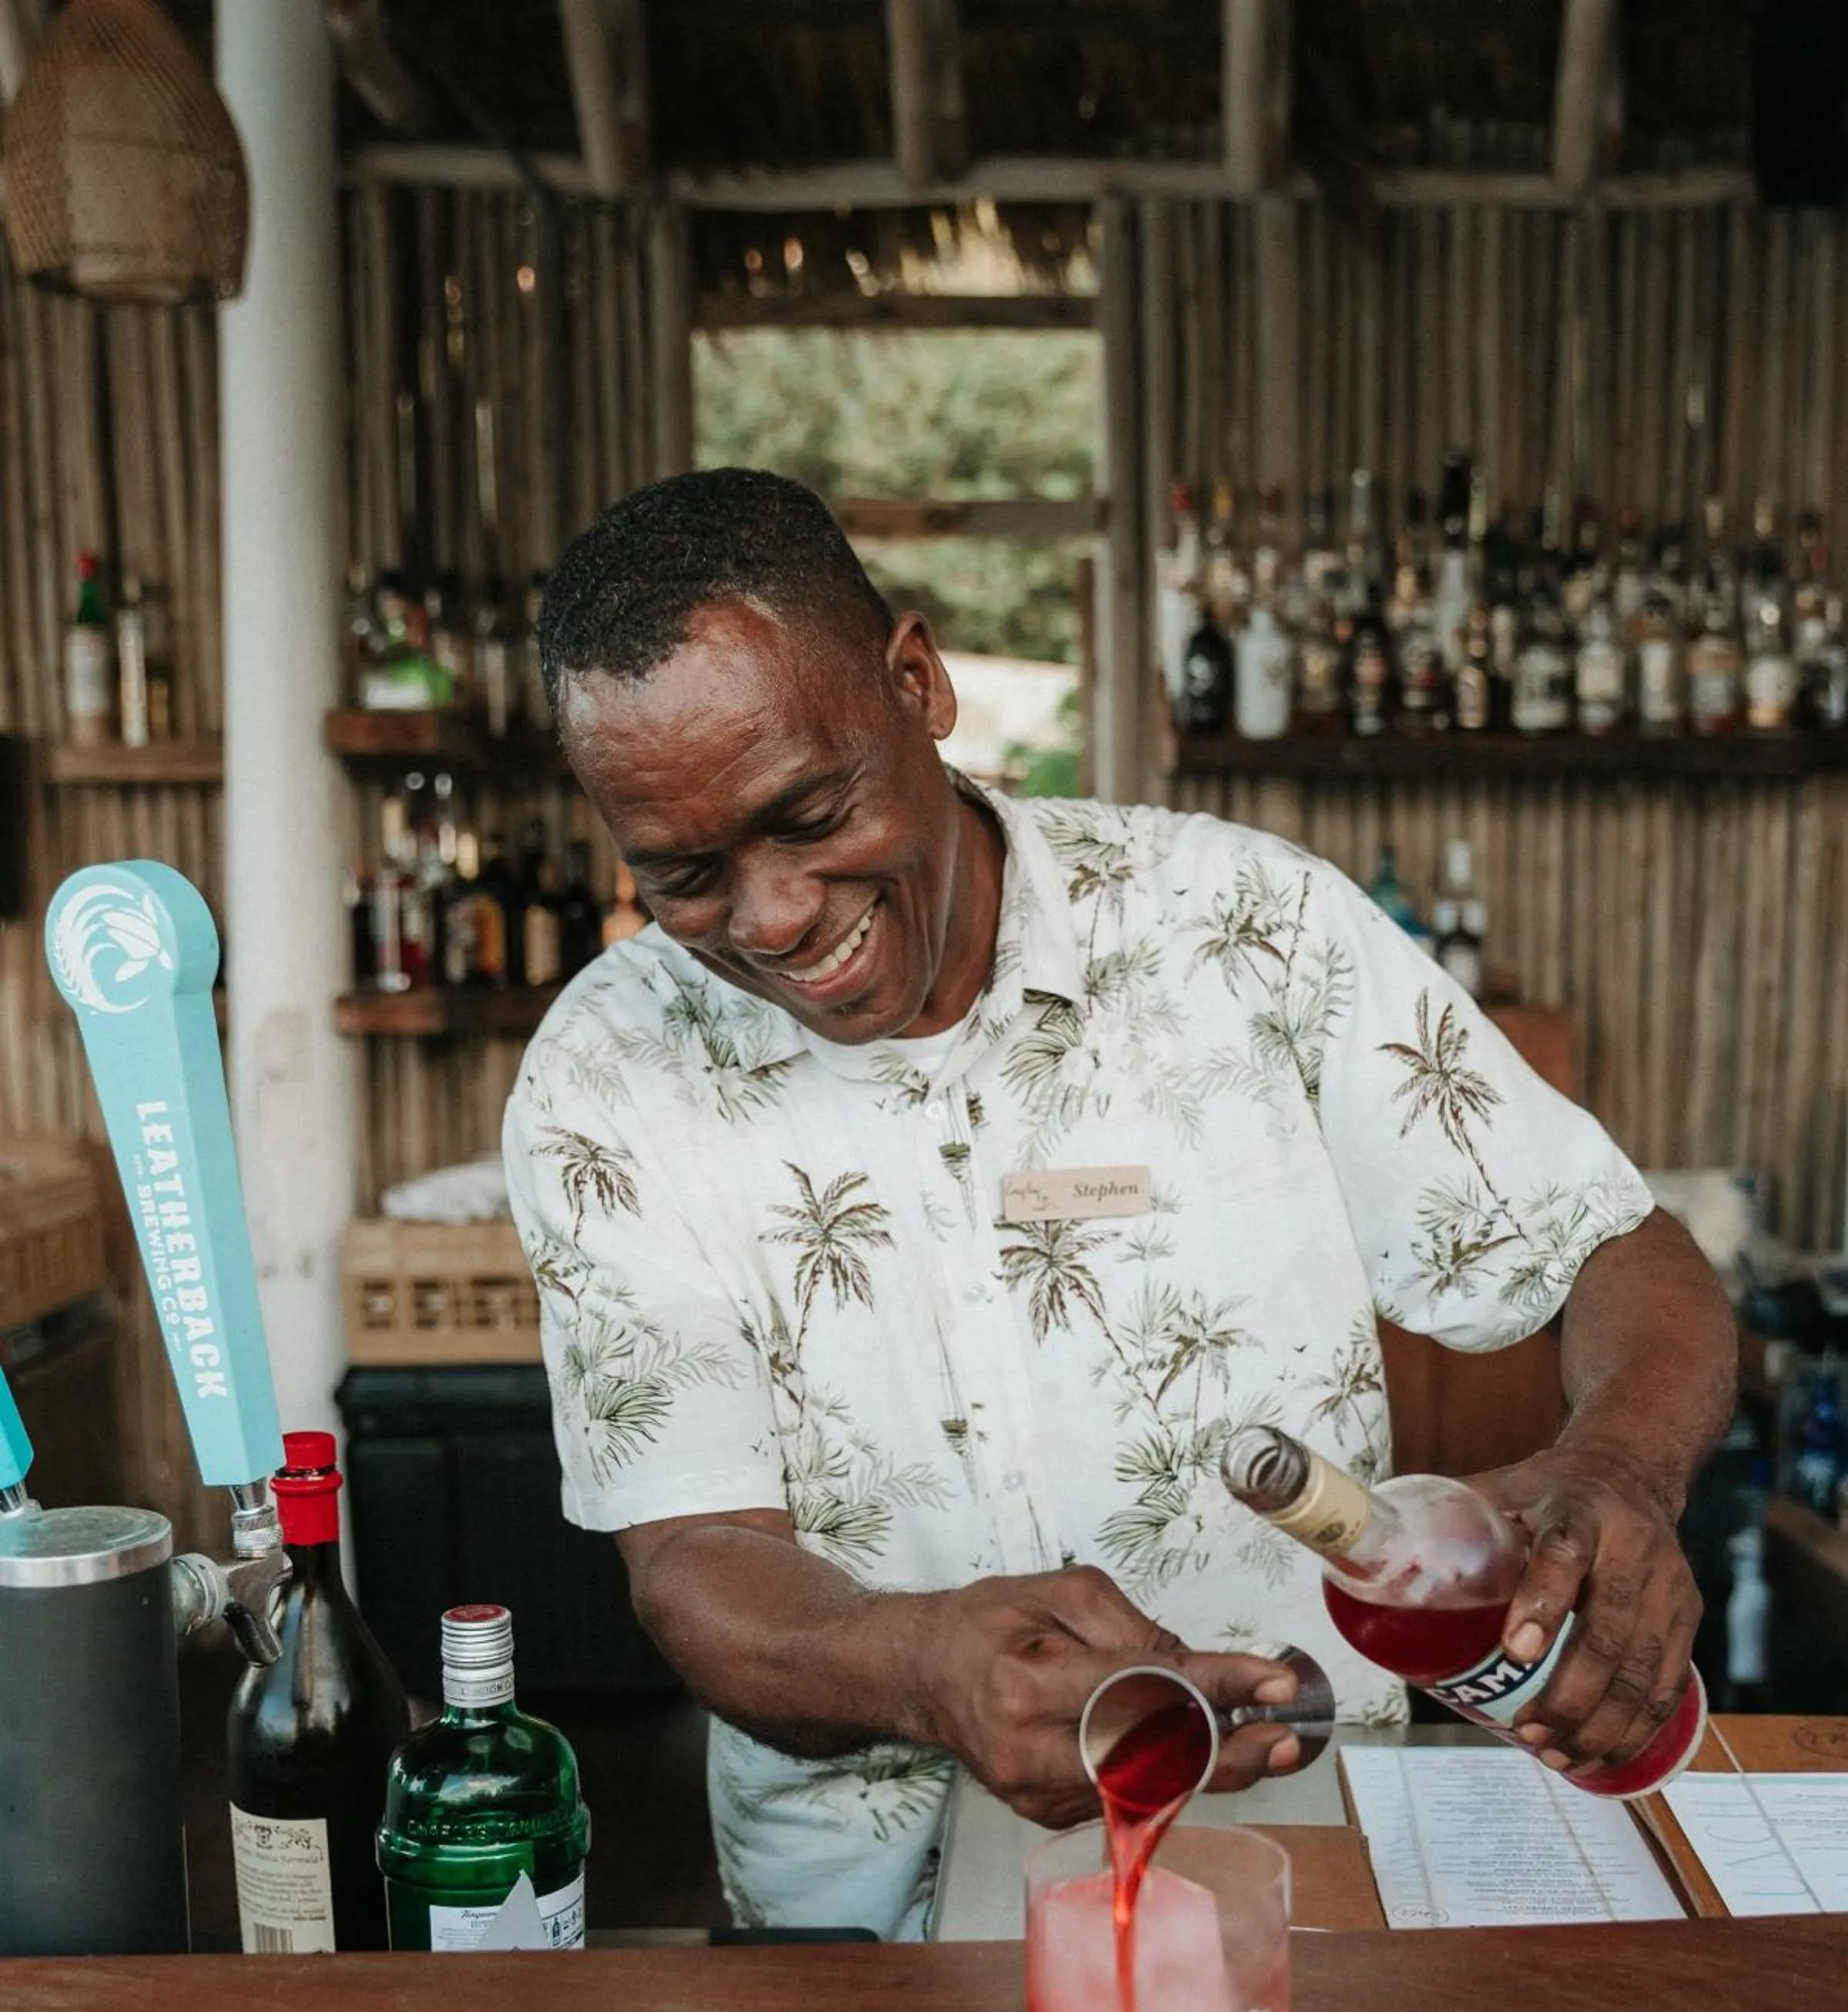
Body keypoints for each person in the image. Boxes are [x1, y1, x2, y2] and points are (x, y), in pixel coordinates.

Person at [503, 468, 1736, 1938]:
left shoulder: (1245, 933)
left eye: (810, 814)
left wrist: (1621, 1470)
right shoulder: (607, 1075)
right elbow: (691, 1562)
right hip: (858, 1940)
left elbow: (1616, 1247)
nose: (770, 917)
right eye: (684, 877)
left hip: (1314, 1864)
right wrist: (918, 1669)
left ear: (918, 682)